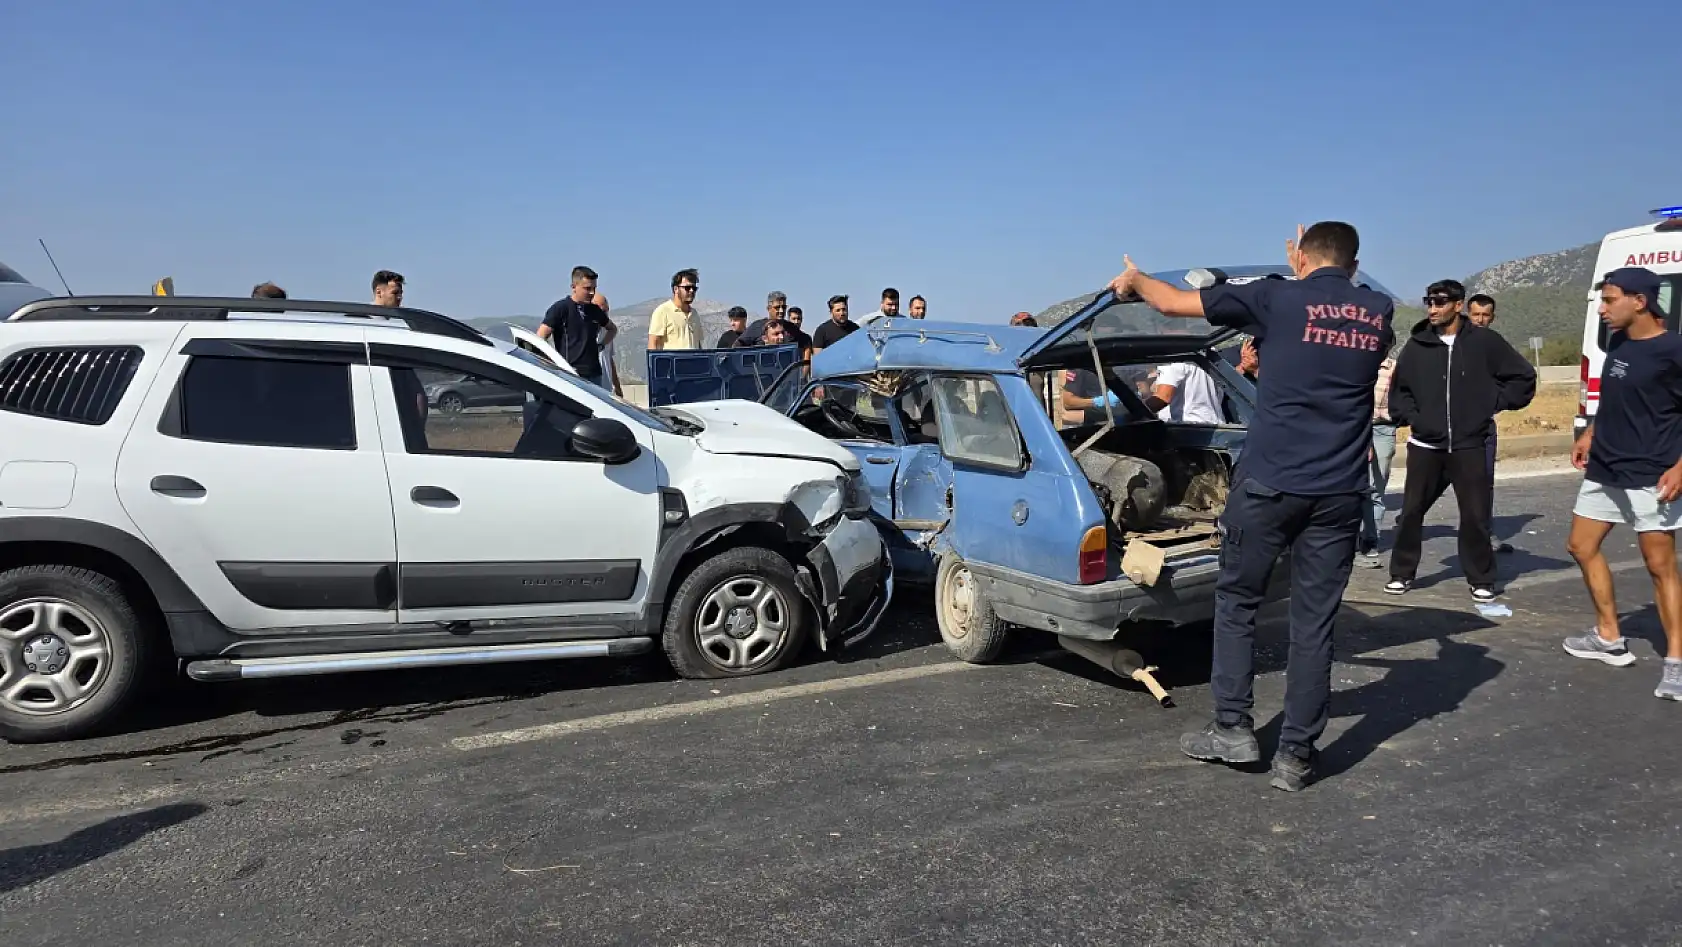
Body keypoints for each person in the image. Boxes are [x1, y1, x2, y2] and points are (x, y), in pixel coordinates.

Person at [1110, 222, 1393, 792]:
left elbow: (1169, 301)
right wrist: (1302, 271)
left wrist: (1135, 279)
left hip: (1268, 487)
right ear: (1354, 264)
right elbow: (1328, 329)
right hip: (1339, 492)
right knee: (1314, 624)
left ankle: (1233, 728)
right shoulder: (1378, 311)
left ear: (1302, 258)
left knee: (1238, 602)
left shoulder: (1275, 295)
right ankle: (1296, 757)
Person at [1561, 267, 1682, 701]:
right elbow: (1611, 398)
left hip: (1651, 471)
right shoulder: (1619, 342)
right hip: (1606, 467)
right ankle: (1609, 636)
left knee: (1659, 564)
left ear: (1640, 301)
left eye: (1610, 300)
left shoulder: (1674, 350)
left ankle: (1677, 663)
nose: (1603, 308)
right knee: (1581, 545)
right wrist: (1591, 433)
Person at [1384, 279, 1535, 601]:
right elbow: (1401, 391)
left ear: (1458, 304)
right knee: (1411, 512)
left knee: (1475, 515)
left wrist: (1491, 402)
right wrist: (1415, 419)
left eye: (1440, 302)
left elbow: (1522, 377)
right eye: (1429, 301)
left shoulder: (1485, 342)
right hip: (1426, 445)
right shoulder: (1417, 346)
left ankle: (1481, 579)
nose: (1433, 308)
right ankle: (1401, 573)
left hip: (1468, 444)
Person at [1465, 293, 1513, 553]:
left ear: (1492, 317)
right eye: (1476, 314)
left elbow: (1518, 377)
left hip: (1482, 426)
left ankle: (1484, 534)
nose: (1481, 320)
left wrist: (1496, 402)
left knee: (1484, 482)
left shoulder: (1496, 346)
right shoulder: (1452, 342)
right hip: (1447, 428)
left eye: (1486, 315)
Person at [537, 265, 617, 387]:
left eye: (594, 288)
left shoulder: (595, 310)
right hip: (571, 375)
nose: (592, 293)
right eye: (587, 288)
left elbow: (612, 329)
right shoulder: (560, 309)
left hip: (594, 374)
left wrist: (601, 345)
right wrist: (552, 362)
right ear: (574, 287)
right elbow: (540, 337)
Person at [1358, 353, 1399, 566]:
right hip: (1355, 427)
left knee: (1375, 487)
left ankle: (1370, 538)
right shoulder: (1355, 362)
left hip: (1383, 429)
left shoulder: (1394, 368)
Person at [1144, 361, 1224, 423]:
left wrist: (1136, 411)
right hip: (1215, 423)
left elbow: (1162, 398)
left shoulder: (1172, 363)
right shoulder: (1202, 359)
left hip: (1192, 427)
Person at [648, 268, 703, 350]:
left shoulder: (694, 314)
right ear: (676, 289)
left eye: (694, 288)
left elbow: (698, 345)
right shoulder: (663, 311)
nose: (691, 291)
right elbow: (653, 344)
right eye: (687, 288)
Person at [592, 292, 623, 397]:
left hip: (607, 390)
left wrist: (617, 387)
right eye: (601, 311)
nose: (604, 315)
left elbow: (609, 359)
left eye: (606, 310)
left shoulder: (607, 331)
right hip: (591, 389)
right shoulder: (586, 332)